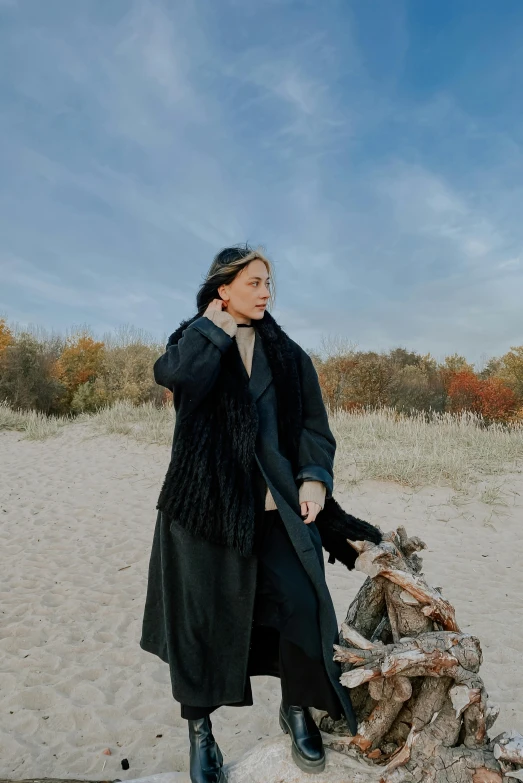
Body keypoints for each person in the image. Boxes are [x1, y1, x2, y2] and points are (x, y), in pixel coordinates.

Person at [139, 245, 381, 783]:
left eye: (270, 282)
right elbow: (179, 379)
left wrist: (314, 479)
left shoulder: (289, 355)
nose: (267, 293)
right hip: (204, 509)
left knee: (299, 602)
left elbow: (315, 429)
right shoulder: (193, 344)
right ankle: (201, 735)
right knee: (199, 623)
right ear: (223, 289)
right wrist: (213, 328)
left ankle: (296, 707)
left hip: (276, 508)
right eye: (255, 283)